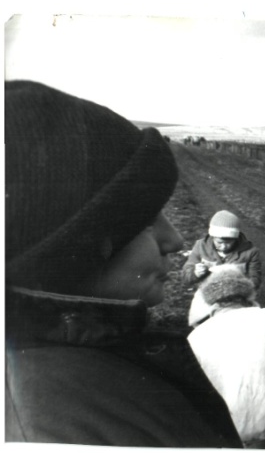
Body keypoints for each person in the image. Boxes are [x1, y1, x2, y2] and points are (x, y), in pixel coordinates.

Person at [5, 80, 242, 447]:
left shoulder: (75, 377)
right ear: (77, 248)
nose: (175, 240)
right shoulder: (77, 427)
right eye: (146, 222)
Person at [186, 264, 265, 448]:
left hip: (223, 425)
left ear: (211, 302)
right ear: (246, 295)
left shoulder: (194, 337)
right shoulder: (264, 317)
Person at [182, 210, 262, 290]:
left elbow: (255, 280)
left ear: (236, 238)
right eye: (219, 242)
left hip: (238, 293)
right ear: (212, 237)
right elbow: (185, 278)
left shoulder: (251, 252)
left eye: (229, 242)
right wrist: (196, 273)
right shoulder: (200, 246)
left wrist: (238, 285)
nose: (223, 247)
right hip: (206, 293)